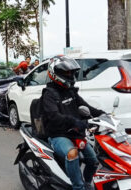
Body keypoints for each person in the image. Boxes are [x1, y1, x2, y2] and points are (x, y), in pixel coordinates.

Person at [42, 55, 104, 190]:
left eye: (71, 72)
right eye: (66, 72)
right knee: (72, 154)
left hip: (74, 132)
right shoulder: (49, 94)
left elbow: (85, 106)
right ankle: (78, 187)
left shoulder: (70, 91)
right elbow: (54, 117)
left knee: (93, 161)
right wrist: (75, 122)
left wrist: (103, 115)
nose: (70, 75)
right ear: (55, 73)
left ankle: (87, 183)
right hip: (58, 134)